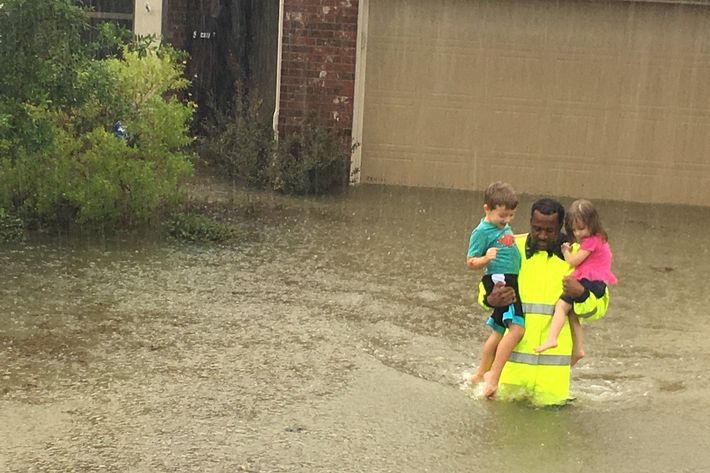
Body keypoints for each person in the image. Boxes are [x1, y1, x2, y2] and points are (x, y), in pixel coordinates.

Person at [479, 198, 609, 405]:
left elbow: (598, 309)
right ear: (530, 222)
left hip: (552, 387)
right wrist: (490, 299)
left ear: (562, 227)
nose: (542, 235)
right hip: (509, 380)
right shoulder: (510, 247)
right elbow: (485, 289)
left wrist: (582, 294)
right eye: (537, 228)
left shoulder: (580, 256)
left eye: (550, 231)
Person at [534, 200, 617, 365]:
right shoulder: (599, 239)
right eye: (574, 229)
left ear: (592, 224)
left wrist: (565, 251)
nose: (578, 234)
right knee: (572, 313)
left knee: (561, 306)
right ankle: (578, 349)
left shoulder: (590, 242)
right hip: (597, 279)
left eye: (581, 228)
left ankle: (552, 338)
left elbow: (572, 262)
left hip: (590, 281)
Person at [466, 182, 524, 398]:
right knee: (517, 328)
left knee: (498, 330)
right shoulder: (481, 232)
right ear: (487, 209)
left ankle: (480, 373)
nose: (507, 220)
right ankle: (493, 375)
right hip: (500, 280)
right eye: (502, 216)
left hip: (509, 277)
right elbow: (470, 261)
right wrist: (485, 258)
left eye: (511, 216)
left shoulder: (501, 227)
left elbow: (508, 241)